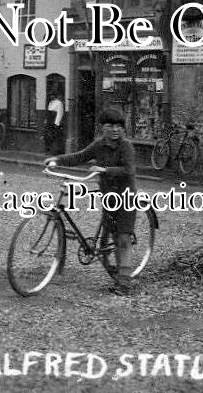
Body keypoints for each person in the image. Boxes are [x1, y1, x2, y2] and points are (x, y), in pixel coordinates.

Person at [44, 106, 138, 295]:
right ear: (102, 127)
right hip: (108, 197)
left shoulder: (126, 146)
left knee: (122, 238)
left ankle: (125, 284)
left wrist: (105, 170)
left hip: (126, 197)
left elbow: (129, 170)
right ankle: (117, 271)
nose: (115, 130)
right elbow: (79, 156)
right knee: (112, 233)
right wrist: (56, 159)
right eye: (110, 126)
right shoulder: (99, 145)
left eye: (119, 126)